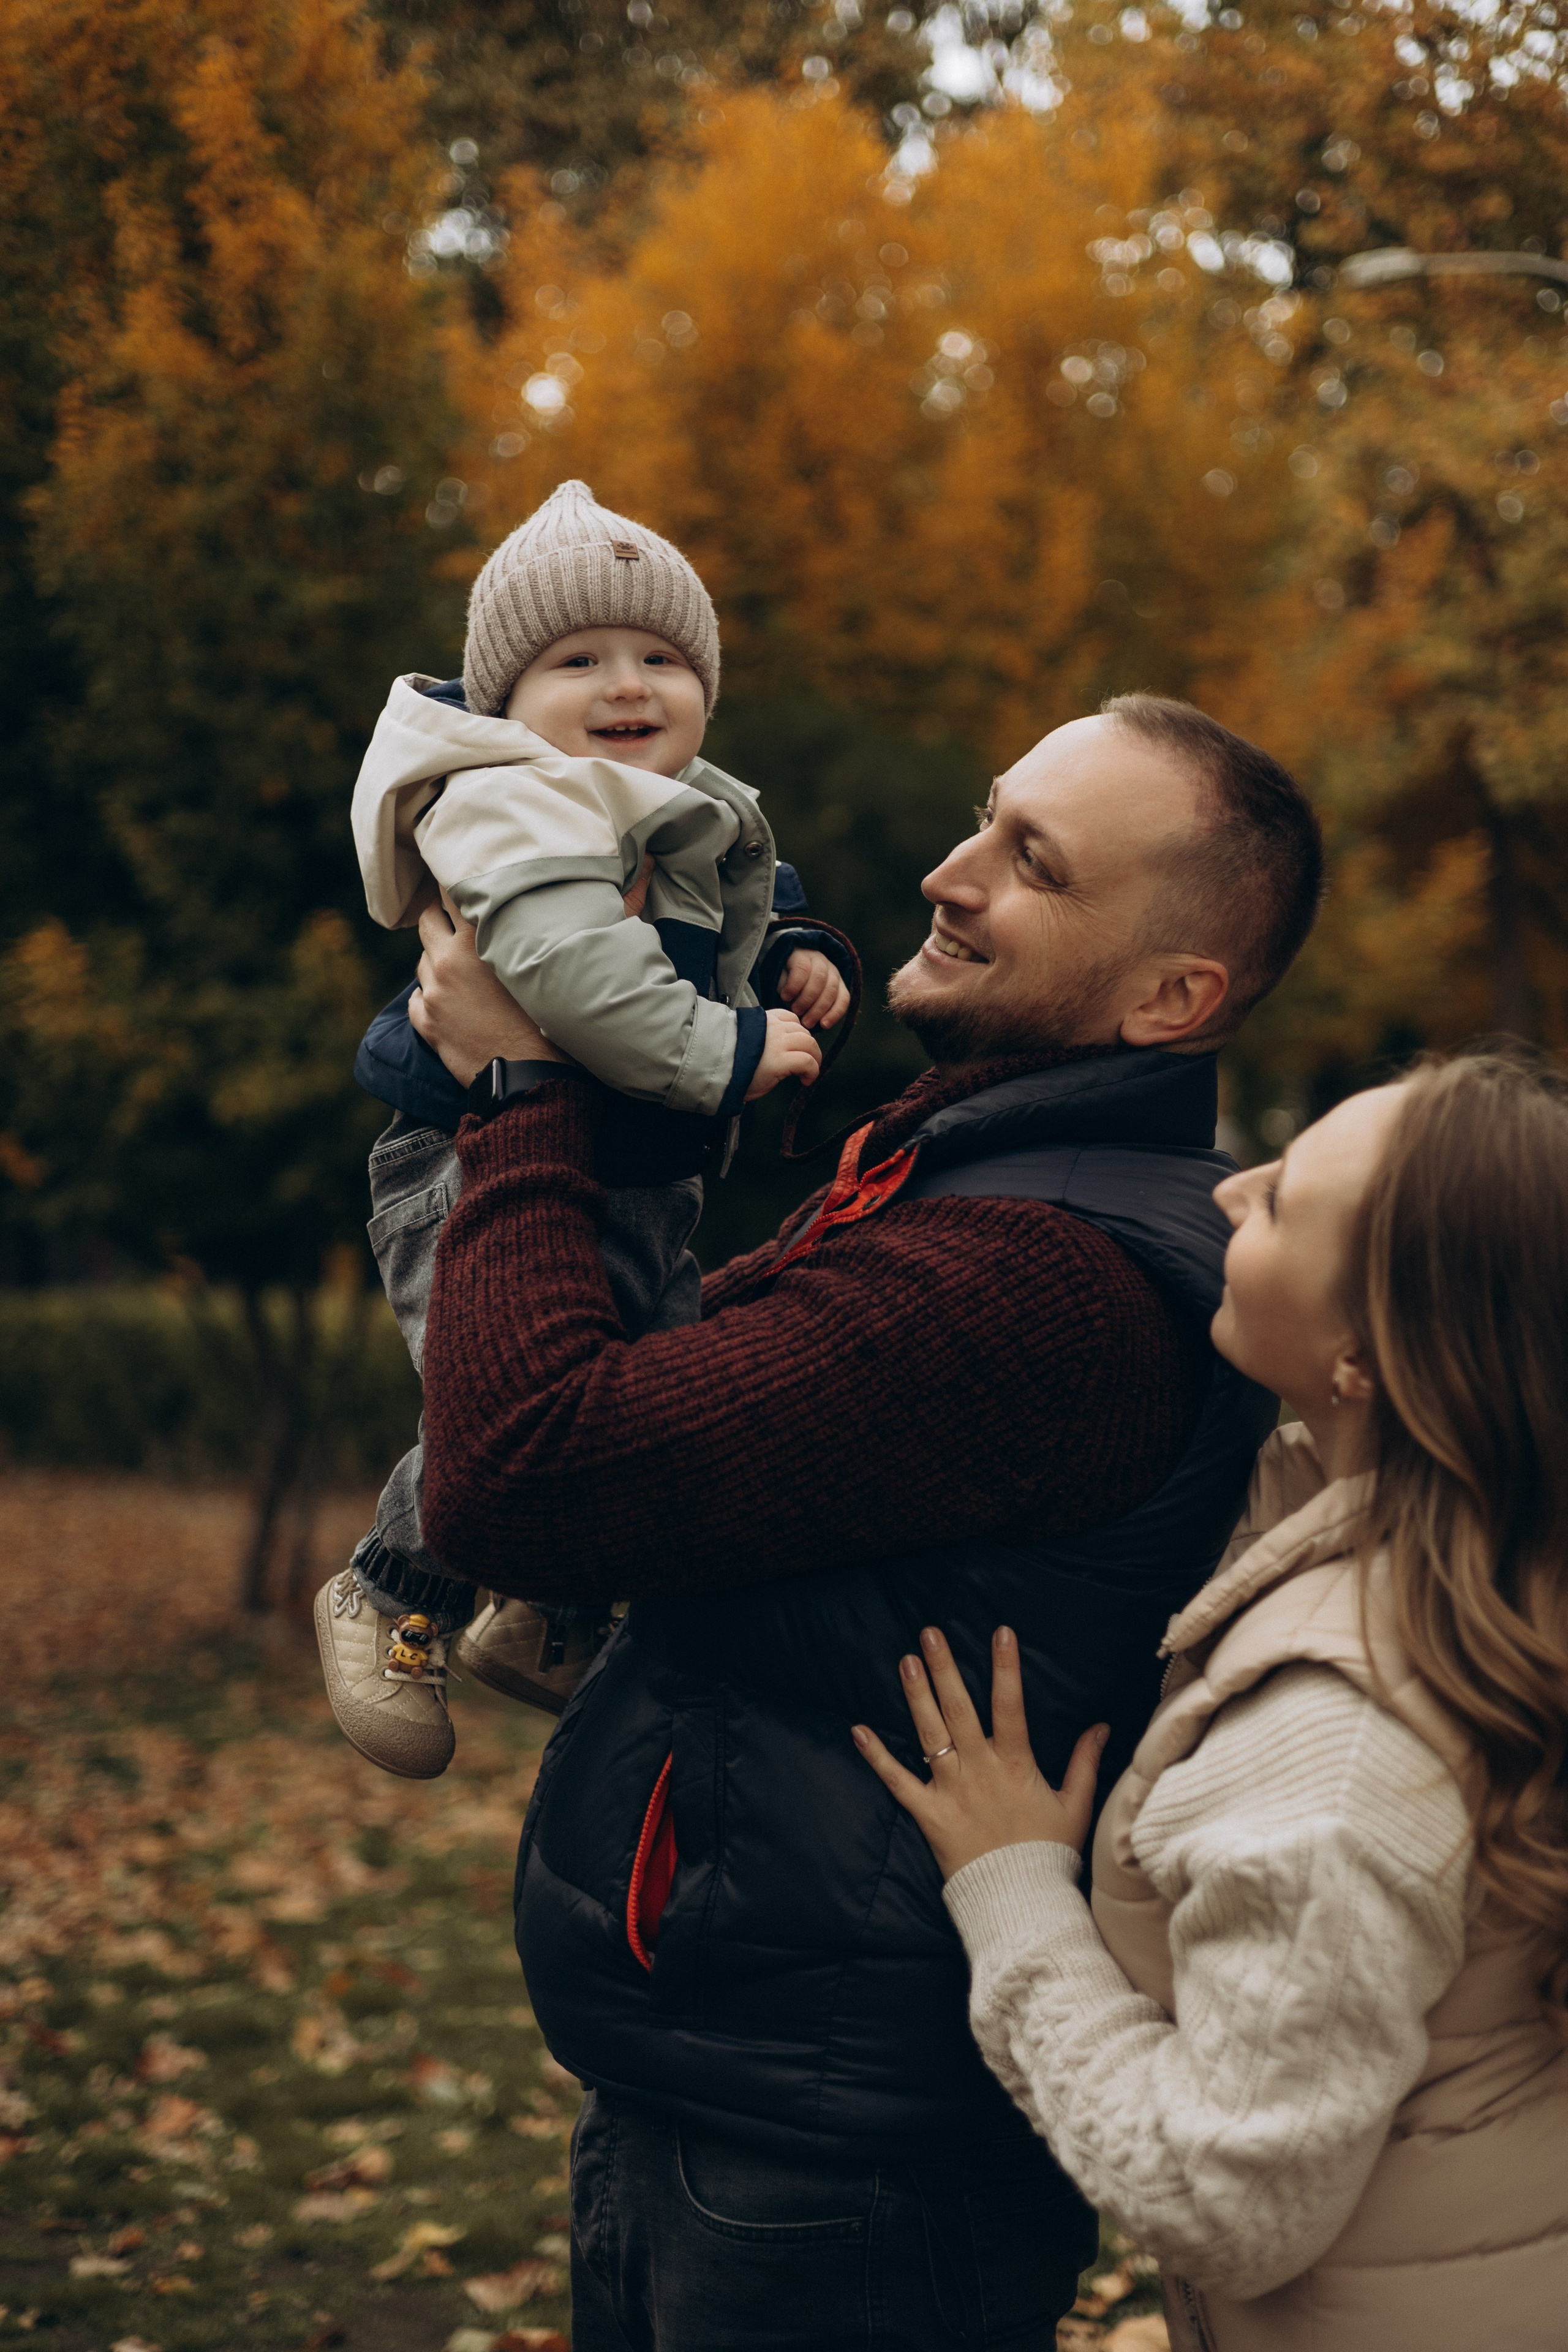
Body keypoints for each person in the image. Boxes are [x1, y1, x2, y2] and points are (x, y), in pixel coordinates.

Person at [403, 692, 1324, 2350]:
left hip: (837, 2177)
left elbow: (531, 1470)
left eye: (1032, 863)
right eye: (985, 820)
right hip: (750, 2090)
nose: (952, 874)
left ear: (1175, 993)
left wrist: (519, 1086)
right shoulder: (974, 1185)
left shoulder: (1040, 1274)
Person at [858, 1051, 1568, 2352]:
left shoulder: (1333, 1745)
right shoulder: (1496, 1563)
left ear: (1364, 1354)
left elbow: (1228, 2202)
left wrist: (1015, 1893)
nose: (1233, 1190)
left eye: (1286, 1199)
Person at [315, 478, 850, 1775]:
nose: (627, 682)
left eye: (660, 656)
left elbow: (717, 922)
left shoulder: (678, 809)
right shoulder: (514, 801)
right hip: (464, 1153)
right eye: (577, 659)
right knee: (501, 1394)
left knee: (635, 1389)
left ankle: (542, 1615)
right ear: (503, 700)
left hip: (631, 1172)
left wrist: (787, 955)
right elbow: (568, 975)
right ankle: (392, 1589)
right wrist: (725, 1051)